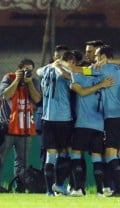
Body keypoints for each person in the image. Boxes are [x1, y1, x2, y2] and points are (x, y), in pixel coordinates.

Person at [66, 52, 115, 197]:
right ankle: (100, 191)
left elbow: (78, 89)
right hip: (99, 124)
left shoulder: (80, 77)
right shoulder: (102, 78)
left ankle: (79, 189)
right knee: (96, 157)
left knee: (76, 154)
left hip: (83, 123)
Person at [0, 58, 41, 193]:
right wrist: (17, 80)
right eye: (25, 69)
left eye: (30, 70)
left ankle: (20, 187)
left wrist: (29, 84)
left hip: (25, 128)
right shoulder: (9, 78)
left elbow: (37, 99)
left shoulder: (33, 81)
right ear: (19, 69)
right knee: (0, 159)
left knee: (23, 163)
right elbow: (5, 94)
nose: (27, 72)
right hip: (7, 126)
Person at [37, 46, 75, 196]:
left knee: (51, 155)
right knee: (67, 153)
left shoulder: (46, 69)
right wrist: (60, 68)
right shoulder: (66, 72)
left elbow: (37, 71)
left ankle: (50, 191)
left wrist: (53, 65)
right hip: (63, 119)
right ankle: (58, 184)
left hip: (47, 118)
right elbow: (69, 78)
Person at [95, 45, 120, 197]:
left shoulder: (104, 69)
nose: (96, 60)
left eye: (97, 56)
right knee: (117, 152)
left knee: (110, 152)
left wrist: (65, 66)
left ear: (103, 56)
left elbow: (82, 72)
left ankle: (119, 189)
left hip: (113, 116)